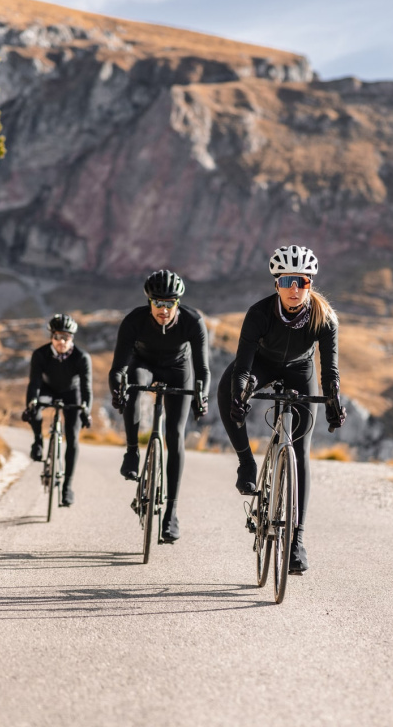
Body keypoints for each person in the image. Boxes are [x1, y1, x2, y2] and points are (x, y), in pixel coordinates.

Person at [216, 245, 347, 574]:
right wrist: (241, 395)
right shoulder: (259, 313)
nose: (294, 289)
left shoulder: (325, 318)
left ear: (310, 284)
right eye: (287, 280)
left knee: (301, 450)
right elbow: (243, 368)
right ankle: (246, 463)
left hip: (300, 372)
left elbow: (329, 371)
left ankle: (297, 540)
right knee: (227, 387)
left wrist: (333, 401)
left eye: (301, 281)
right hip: (262, 365)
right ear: (276, 283)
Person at [109, 270, 210, 543]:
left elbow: (202, 370)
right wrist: (117, 391)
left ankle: (171, 514)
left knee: (175, 436)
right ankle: (131, 452)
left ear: (177, 303)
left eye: (169, 303)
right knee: (131, 387)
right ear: (149, 302)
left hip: (179, 368)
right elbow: (118, 367)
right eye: (158, 303)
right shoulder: (134, 321)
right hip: (144, 364)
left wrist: (202, 397)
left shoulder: (193, 321)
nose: (163, 310)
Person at [22, 314, 92, 507]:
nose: (61, 341)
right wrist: (32, 403)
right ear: (51, 336)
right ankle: (37, 441)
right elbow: (34, 382)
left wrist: (86, 410)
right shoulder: (40, 354)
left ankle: (67, 487)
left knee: (73, 437)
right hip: (47, 390)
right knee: (34, 407)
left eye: (66, 337)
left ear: (72, 338)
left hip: (72, 392)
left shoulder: (82, 357)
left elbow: (86, 388)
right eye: (57, 336)